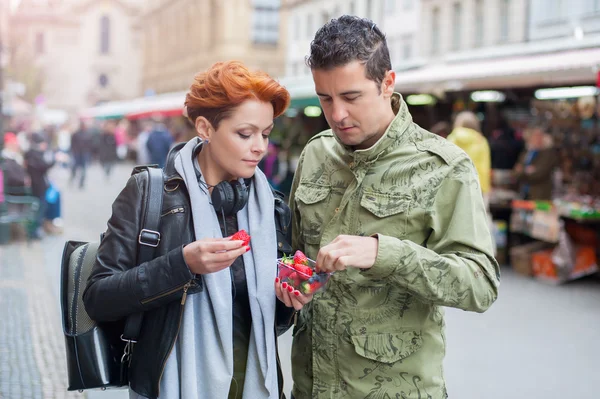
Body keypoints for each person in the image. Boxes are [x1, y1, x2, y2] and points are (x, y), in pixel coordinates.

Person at [288, 16, 500, 399]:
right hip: (311, 386)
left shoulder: (444, 166)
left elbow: (480, 284)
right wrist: (291, 282)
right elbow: (293, 252)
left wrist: (385, 253)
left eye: (351, 97)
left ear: (387, 83)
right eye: (325, 98)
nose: (336, 115)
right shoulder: (315, 152)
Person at [83, 61, 310, 399]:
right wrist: (182, 265)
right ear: (205, 128)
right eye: (245, 134)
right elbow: (98, 298)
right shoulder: (150, 194)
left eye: (266, 133)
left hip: (253, 387)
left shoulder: (270, 207)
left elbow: (270, 323)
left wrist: (289, 301)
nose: (260, 147)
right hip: (174, 386)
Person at [513, 126, 556, 200]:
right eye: (534, 136)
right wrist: (526, 170)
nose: (536, 139)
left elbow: (539, 173)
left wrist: (522, 171)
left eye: (539, 136)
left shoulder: (548, 154)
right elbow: (515, 172)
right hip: (523, 193)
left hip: (540, 195)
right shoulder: (526, 152)